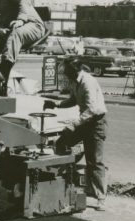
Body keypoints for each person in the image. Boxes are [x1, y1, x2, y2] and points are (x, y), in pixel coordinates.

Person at [43, 58, 107, 210]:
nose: (65, 74)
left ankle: (101, 197)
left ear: (74, 70)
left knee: (94, 161)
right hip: (84, 121)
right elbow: (73, 100)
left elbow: (91, 110)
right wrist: (56, 104)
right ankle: (65, 181)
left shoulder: (87, 82)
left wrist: (73, 124)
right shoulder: (74, 81)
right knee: (61, 142)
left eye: (66, 71)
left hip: (95, 123)